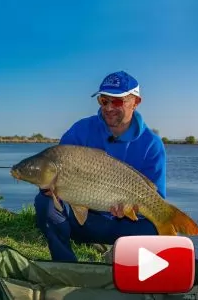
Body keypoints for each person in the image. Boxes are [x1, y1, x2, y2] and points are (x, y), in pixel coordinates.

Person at [34, 71, 167, 262]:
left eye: (118, 101)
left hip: (127, 225)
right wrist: (46, 185)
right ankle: (66, 265)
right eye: (104, 101)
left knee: (156, 225)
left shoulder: (152, 144)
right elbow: (53, 164)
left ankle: (123, 260)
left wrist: (131, 209)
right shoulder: (81, 130)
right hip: (84, 223)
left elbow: (158, 197)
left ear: (136, 102)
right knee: (44, 203)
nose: (109, 108)